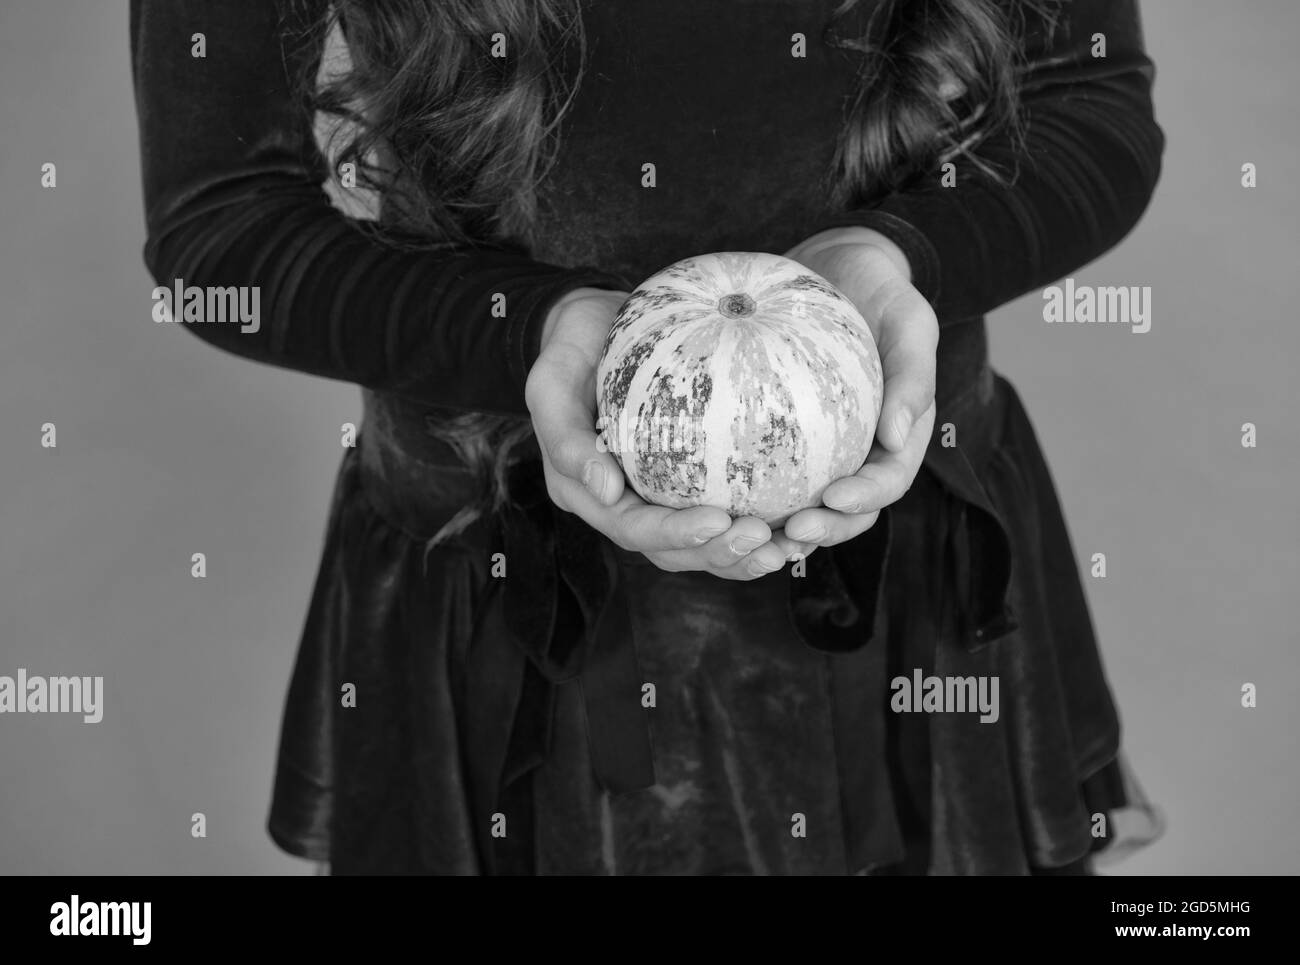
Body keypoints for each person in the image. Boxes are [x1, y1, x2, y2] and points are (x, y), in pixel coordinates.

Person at [130, 0, 1166, 874]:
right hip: (501, 580)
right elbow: (221, 230)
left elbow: (1091, 105)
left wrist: (895, 255)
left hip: (906, 577)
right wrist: (532, 329)